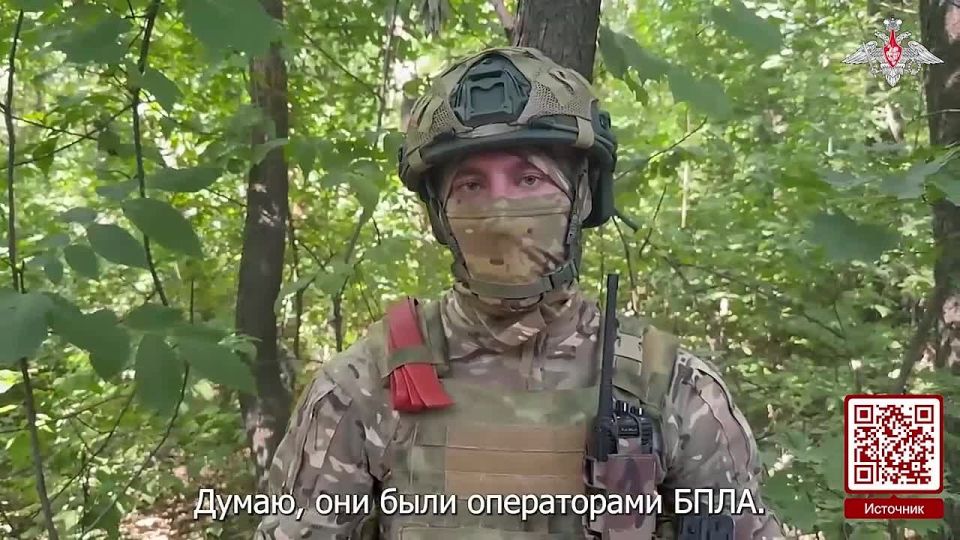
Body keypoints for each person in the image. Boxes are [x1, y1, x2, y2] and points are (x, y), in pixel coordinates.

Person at [255, 46, 785, 540]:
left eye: (529, 179)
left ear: (582, 197)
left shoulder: (669, 387)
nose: (502, 214)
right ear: (440, 215)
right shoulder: (367, 384)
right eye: (472, 185)